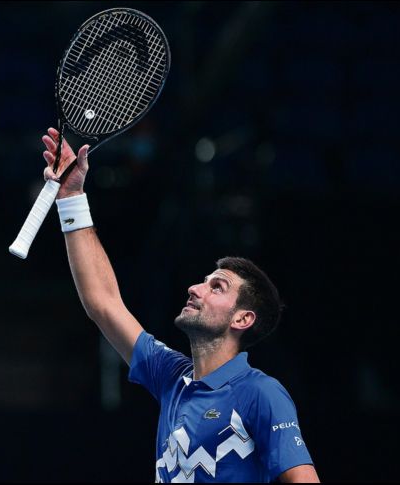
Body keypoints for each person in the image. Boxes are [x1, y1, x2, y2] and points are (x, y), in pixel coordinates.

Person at [41, 127, 319, 483]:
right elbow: (104, 303)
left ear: (242, 318)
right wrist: (71, 197)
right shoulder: (172, 377)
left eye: (217, 287)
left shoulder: (260, 393)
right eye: (203, 281)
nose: (195, 289)